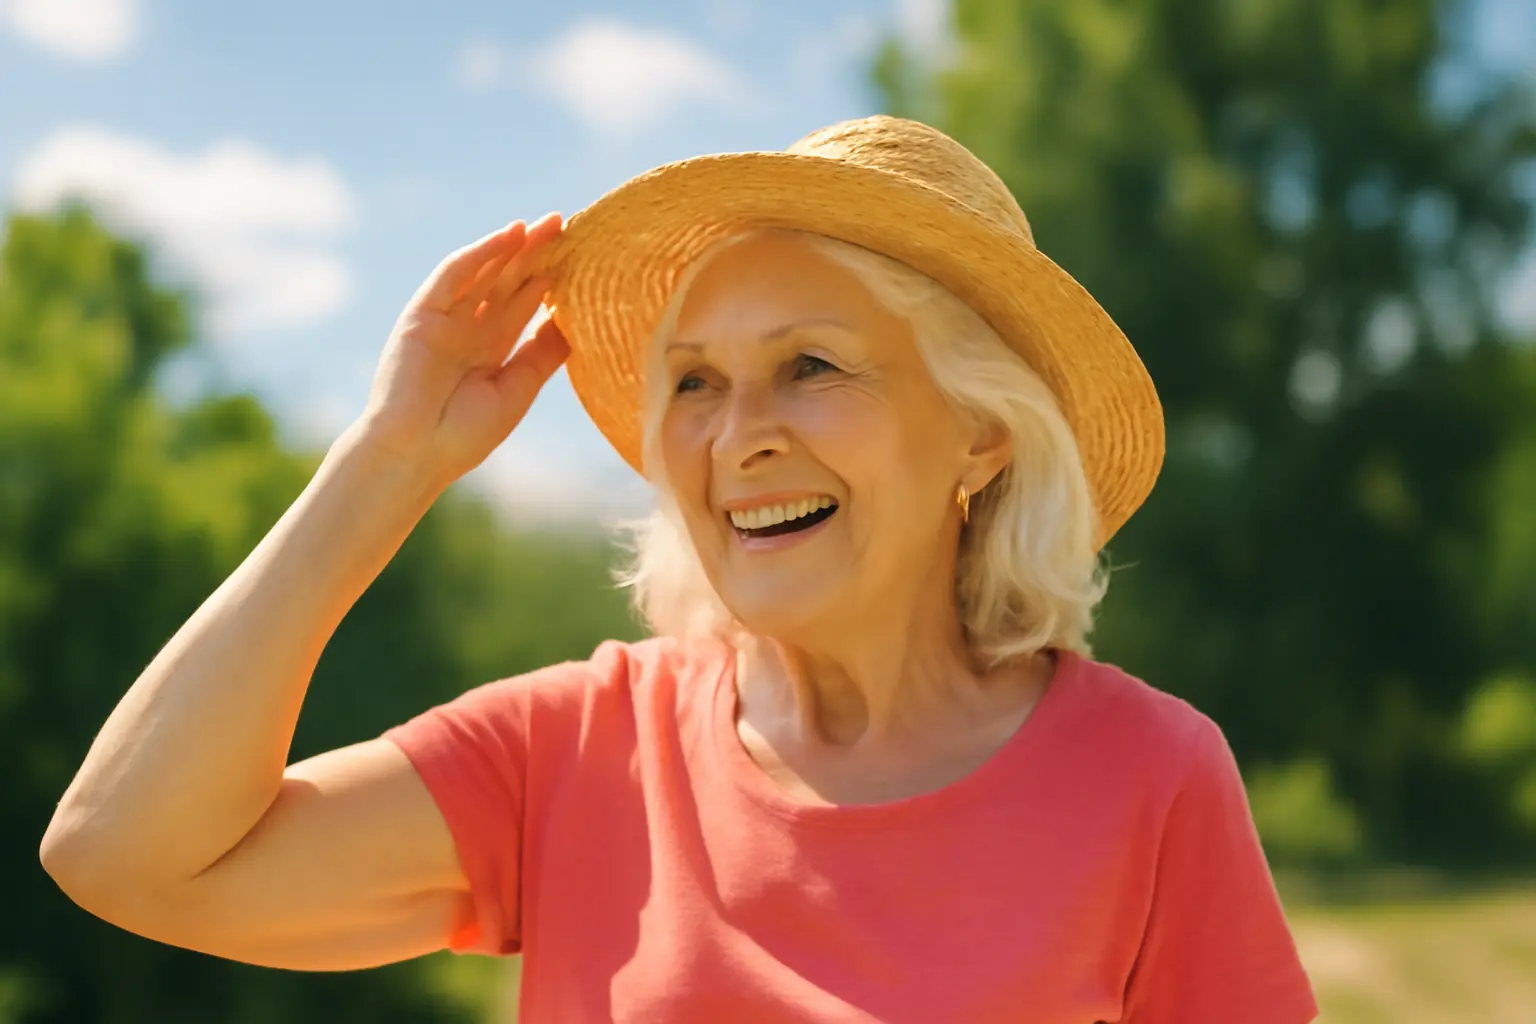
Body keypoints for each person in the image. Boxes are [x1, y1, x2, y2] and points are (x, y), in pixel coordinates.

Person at [40, 116, 1319, 1023]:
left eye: (812, 365)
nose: (735, 432)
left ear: (980, 434)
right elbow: (121, 852)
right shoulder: (580, 750)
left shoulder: (1149, 778)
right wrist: (387, 464)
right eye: (695, 381)